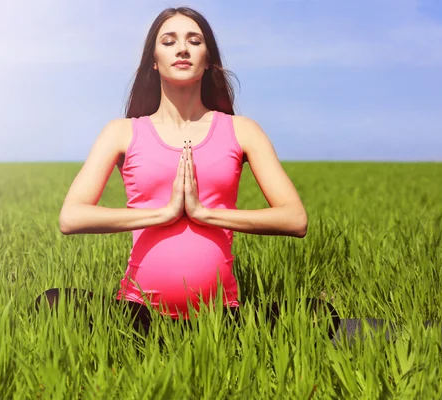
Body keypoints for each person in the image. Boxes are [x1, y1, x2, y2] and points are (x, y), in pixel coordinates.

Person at [36, 7, 339, 338]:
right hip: (138, 314)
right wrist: (162, 213)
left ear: (207, 58)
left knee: (317, 313)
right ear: (153, 60)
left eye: (194, 41)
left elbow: (294, 219)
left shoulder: (242, 130)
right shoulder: (121, 132)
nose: (182, 48)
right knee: (52, 303)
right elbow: (71, 217)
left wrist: (203, 213)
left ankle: (192, 350)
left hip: (220, 318)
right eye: (169, 41)